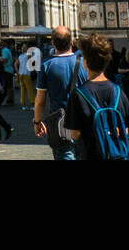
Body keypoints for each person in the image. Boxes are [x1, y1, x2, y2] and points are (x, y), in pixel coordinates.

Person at [64, 34, 129, 161]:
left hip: (90, 153)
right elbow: (127, 128)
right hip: (116, 155)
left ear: (85, 62)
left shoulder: (78, 94)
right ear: (107, 61)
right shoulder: (117, 91)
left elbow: (75, 133)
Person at [33, 26, 87, 159]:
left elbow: (40, 101)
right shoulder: (84, 64)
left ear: (53, 44)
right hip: (83, 122)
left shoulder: (47, 65)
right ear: (71, 43)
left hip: (59, 125)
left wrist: (37, 122)